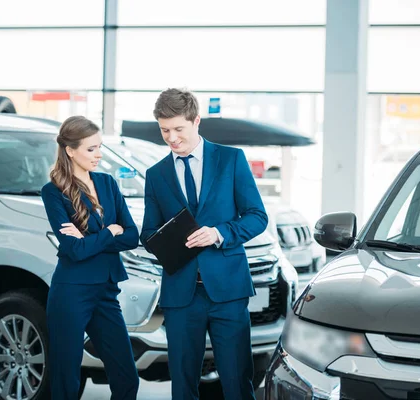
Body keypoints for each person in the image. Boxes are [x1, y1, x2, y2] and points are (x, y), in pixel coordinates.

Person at [140, 88, 268, 400]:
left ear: (196, 121)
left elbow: (257, 217)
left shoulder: (231, 160)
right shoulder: (156, 175)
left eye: (178, 129)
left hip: (228, 291)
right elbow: (148, 233)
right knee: (183, 386)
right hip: (181, 295)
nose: (171, 138)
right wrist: (169, 237)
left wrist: (219, 232)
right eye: (164, 130)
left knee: (237, 381)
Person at [41, 116, 139, 400]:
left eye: (100, 148)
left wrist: (89, 239)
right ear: (71, 150)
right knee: (66, 380)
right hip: (71, 291)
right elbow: (74, 251)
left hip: (106, 290)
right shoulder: (53, 192)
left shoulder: (108, 183)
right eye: (91, 149)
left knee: (126, 377)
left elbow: (132, 236)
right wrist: (109, 232)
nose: (98, 155)